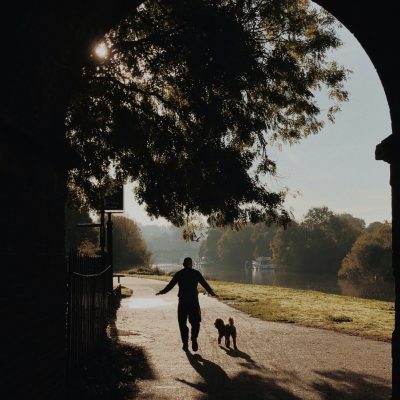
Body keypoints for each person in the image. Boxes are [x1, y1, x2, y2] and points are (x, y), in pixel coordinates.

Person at [156, 257, 217, 352]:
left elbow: (171, 285)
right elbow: (205, 284)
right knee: (195, 322)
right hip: (193, 301)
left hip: (183, 302)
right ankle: (194, 338)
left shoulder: (179, 273)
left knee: (182, 323)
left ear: (183, 264)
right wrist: (212, 293)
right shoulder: (196, 273)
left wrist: (162, 292)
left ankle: (185, 343)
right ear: (191, 264)